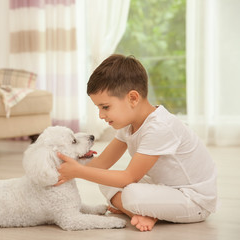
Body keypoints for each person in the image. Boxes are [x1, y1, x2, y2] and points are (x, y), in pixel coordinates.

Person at [55, 54, 217, 232]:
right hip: (166, 188)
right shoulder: (128, 125)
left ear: (133, 98)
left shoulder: (159, 127)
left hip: (194, 200)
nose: (100, 115)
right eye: (98, 108)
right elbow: (101, 164)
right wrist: (62, 168)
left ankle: (139, 210)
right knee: (103, 176)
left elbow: (129, 177)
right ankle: (140, 214)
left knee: (131, 192)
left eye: (105, 107)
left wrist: (78, 171)